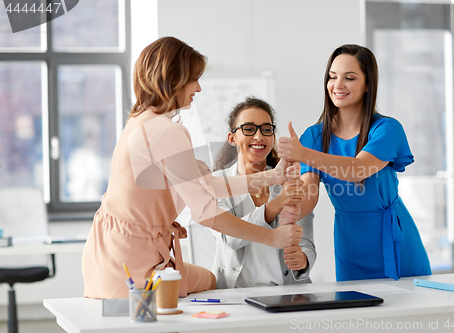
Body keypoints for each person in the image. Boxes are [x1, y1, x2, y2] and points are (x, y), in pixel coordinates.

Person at [81, 37, 303, 299]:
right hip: (133, 263)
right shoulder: (168, 132)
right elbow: (206, 212)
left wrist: (272, 176)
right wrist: (272, 238)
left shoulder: (140, 119)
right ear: (172, 78)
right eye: (193, 78)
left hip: (107, 252)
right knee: (207, 284)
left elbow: (208, 185)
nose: (198, 87)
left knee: (210, 280)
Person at [278, 44, 431, 282]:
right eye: (332, 77)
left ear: (368, 84)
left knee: (407, 313)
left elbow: (357, 170)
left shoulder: (386, 129)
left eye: (349, 78)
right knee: (357, 315)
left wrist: (303, 154)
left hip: (392, 239)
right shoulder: (314, 137)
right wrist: (291, 210)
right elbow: (310, 193)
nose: (338, 85)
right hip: (350, 243)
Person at [210, 97, 316, 288]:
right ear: (232, 138)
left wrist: (303, 260)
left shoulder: (290, 181)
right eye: (249, 129)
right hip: (235, 298)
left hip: (287, 296)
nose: (259, 137)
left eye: (266, 129)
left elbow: (306, 240)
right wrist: (277, 204)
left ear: (273, 138)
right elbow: (230, 238)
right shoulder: (217, 183)